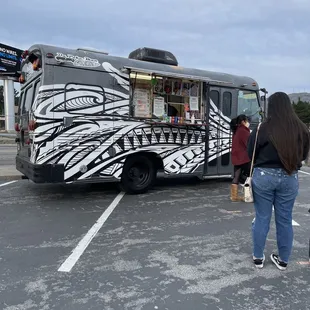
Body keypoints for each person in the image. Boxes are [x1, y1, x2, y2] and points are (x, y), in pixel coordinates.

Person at [247, 91, 310, 270]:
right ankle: (283, 260)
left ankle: (258, 258)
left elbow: (250, 153)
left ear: (271, 107)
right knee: (285, 219)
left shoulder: (262, 128)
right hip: (290, 177)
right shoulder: (301, 129)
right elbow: (304, 156)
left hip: (264, 176)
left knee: (262, 218)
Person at [230, 114, 251, 202]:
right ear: (243, 121)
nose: (248, 123)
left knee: (236, 176)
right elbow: (249, 143)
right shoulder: (243, 131)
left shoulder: (236, 130)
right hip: (244, 157)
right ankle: (247, 196)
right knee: (249, 176)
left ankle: (233, 196)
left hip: (236, 157)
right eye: (247, 121)